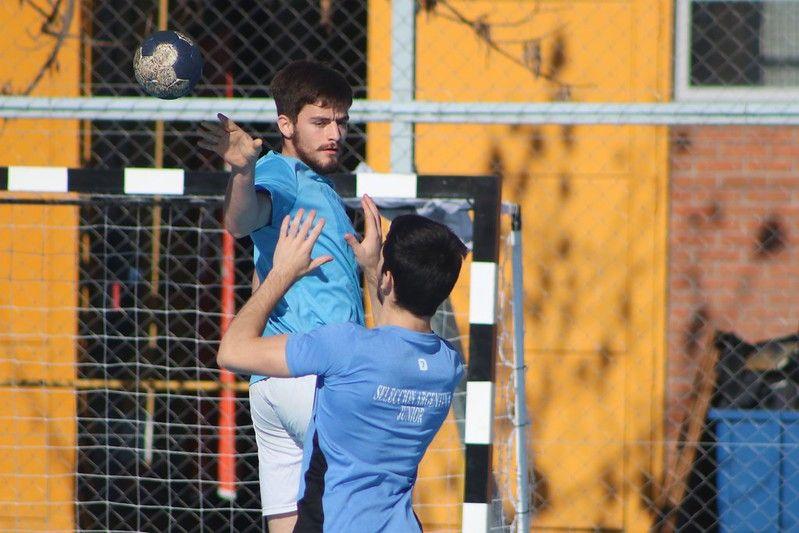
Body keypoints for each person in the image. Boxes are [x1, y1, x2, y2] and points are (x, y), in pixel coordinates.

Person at [217, 198, 467, 532]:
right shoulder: (446, 365)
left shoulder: (344, 347)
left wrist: (281, 273)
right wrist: (374, 270)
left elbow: (232, 352)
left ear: (388, 279)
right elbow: (394, 341)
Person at [198, 60, 362, 532]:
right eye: (320, 122)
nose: (335, 134)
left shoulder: (316, 185)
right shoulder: (281, 172)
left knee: (288, 523)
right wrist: (243, 172)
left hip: (272, 383)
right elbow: (242, 220)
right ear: (286, 125)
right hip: (313, 373)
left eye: (341, 122)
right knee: (359, 509)